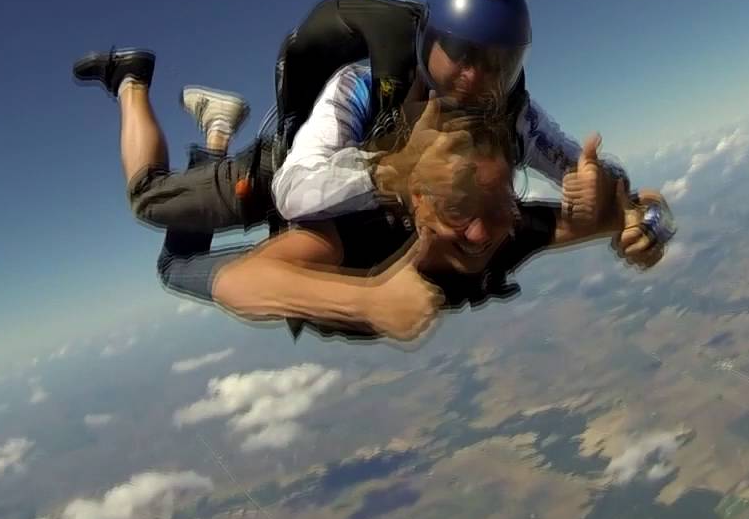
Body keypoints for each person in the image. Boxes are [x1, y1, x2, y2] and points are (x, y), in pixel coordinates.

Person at [72, 0, 664, 268]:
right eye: (460, 53)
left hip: (345, 202)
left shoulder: (514, 116)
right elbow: (294, 189)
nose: (474, 77)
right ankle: (131, 80)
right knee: (148, 202)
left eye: (496, 64)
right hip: (273, 173)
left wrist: (626, 208)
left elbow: (592, 176)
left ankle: (217, 124)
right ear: (429, 41)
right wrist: (393, 173)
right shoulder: (359, 86)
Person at [155, 89, 664, 343]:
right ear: (416, 200)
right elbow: (241, 282)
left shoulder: (508, 228)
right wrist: (369, 300)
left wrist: (649, 224)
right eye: (457, 207)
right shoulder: (362, 235)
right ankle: (205, 130)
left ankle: (215, 135)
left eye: (497, 203)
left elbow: (628, 214)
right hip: (294, 197)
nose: (480, 232)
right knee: (174, 267)